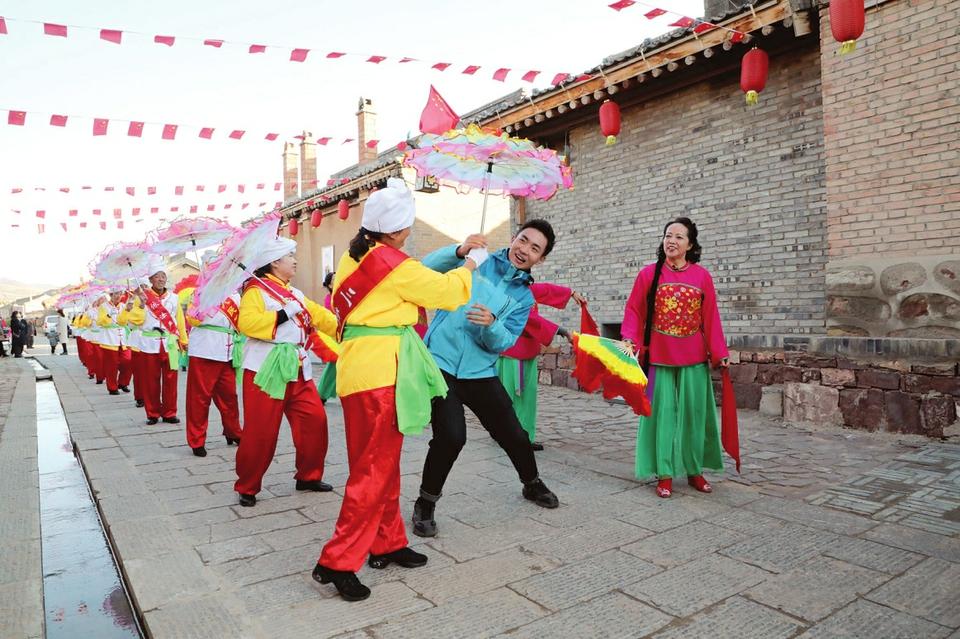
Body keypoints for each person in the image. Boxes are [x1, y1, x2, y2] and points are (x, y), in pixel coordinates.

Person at [313, 178, 479, 602]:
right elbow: (446, 293)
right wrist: (470, 264)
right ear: (398, 229)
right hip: (382, 375)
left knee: (379, 464)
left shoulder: (355, 259)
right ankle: (338, 560)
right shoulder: (395, 265)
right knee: (373, 470)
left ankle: (387, 541)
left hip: (359, 371)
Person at [412, 219, 562, 539]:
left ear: (541, 259)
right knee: (451, 436)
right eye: (523, 241)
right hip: (441, 364)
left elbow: (504, 342)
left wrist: (491, 324)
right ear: (513, 238)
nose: (525, 250)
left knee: (514, 434)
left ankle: (531, 484)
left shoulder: (524, 297)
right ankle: (425, 503)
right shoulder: (478, 259)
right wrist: (460, 251)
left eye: (535, 249)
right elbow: (426, 269)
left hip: (480, 371)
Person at [621, 217, 729, 498]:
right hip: (660, 358)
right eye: (668, 235)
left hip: (693, 356)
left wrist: (720, 352)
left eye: (679, 237)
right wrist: (630, 339)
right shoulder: (649, 274)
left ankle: (694, 470)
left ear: (690, 244)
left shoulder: (702, 276)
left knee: (695, 415)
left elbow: (710, 318)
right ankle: (665, 473)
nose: (672, 241)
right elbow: (634, 310)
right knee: (662, 416)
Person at [235, 236, 337, 508]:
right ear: (274, 262)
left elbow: (320, 317)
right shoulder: (255, 291)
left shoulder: (296, 294)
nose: (294, 261)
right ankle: (248, 485)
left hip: (297, 366)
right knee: (261, 431)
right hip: (265, 369)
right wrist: (282, 314)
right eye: (290, 256)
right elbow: (247, 323)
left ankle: (309, 475)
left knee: (314, 420)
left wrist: (347, 325)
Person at [497, 283, 585, 451]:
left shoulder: (523, 286)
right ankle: (516, 438)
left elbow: (544, 290)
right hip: (515, 353)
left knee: (521, 398)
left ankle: (514, 435)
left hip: (523, 351)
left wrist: (571, 292)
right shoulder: (509, 290)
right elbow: (529, 319)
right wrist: (562, 331)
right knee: (517, 397)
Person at [184, 291, 243, 457]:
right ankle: (197, 440)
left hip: (227, 350)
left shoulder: (235, 296)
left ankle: (233, 432)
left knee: (229, 396)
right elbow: (192, 318)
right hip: (204, 349)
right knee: (199, 399)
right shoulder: (201, 291)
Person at [131, 257, 187, 425]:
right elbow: (136, 321)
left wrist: (183, 340)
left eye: (163, 276)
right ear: (150, 280)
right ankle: (152, 413)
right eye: (157, 276)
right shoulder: (142, 297)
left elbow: (180, 321)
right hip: (149, 344)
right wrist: (141, 305)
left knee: (171, 379)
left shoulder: (174, 298)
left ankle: (170, 412)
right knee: (150, 381)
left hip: (169, 342)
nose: (161, 279)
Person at [98, 289, 133, 395]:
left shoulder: (124, 306)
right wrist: (109, 315)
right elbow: (101, 322)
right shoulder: (103, 307)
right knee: (111, 366)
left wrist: (130, 305)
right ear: (111, 295)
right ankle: (112, 387)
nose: (118, 296)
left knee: (128, 361)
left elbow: (128, 320)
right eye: (116, 294)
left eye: (120, 293)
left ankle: (123, 383)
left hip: (124, 339)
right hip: (109, 339)